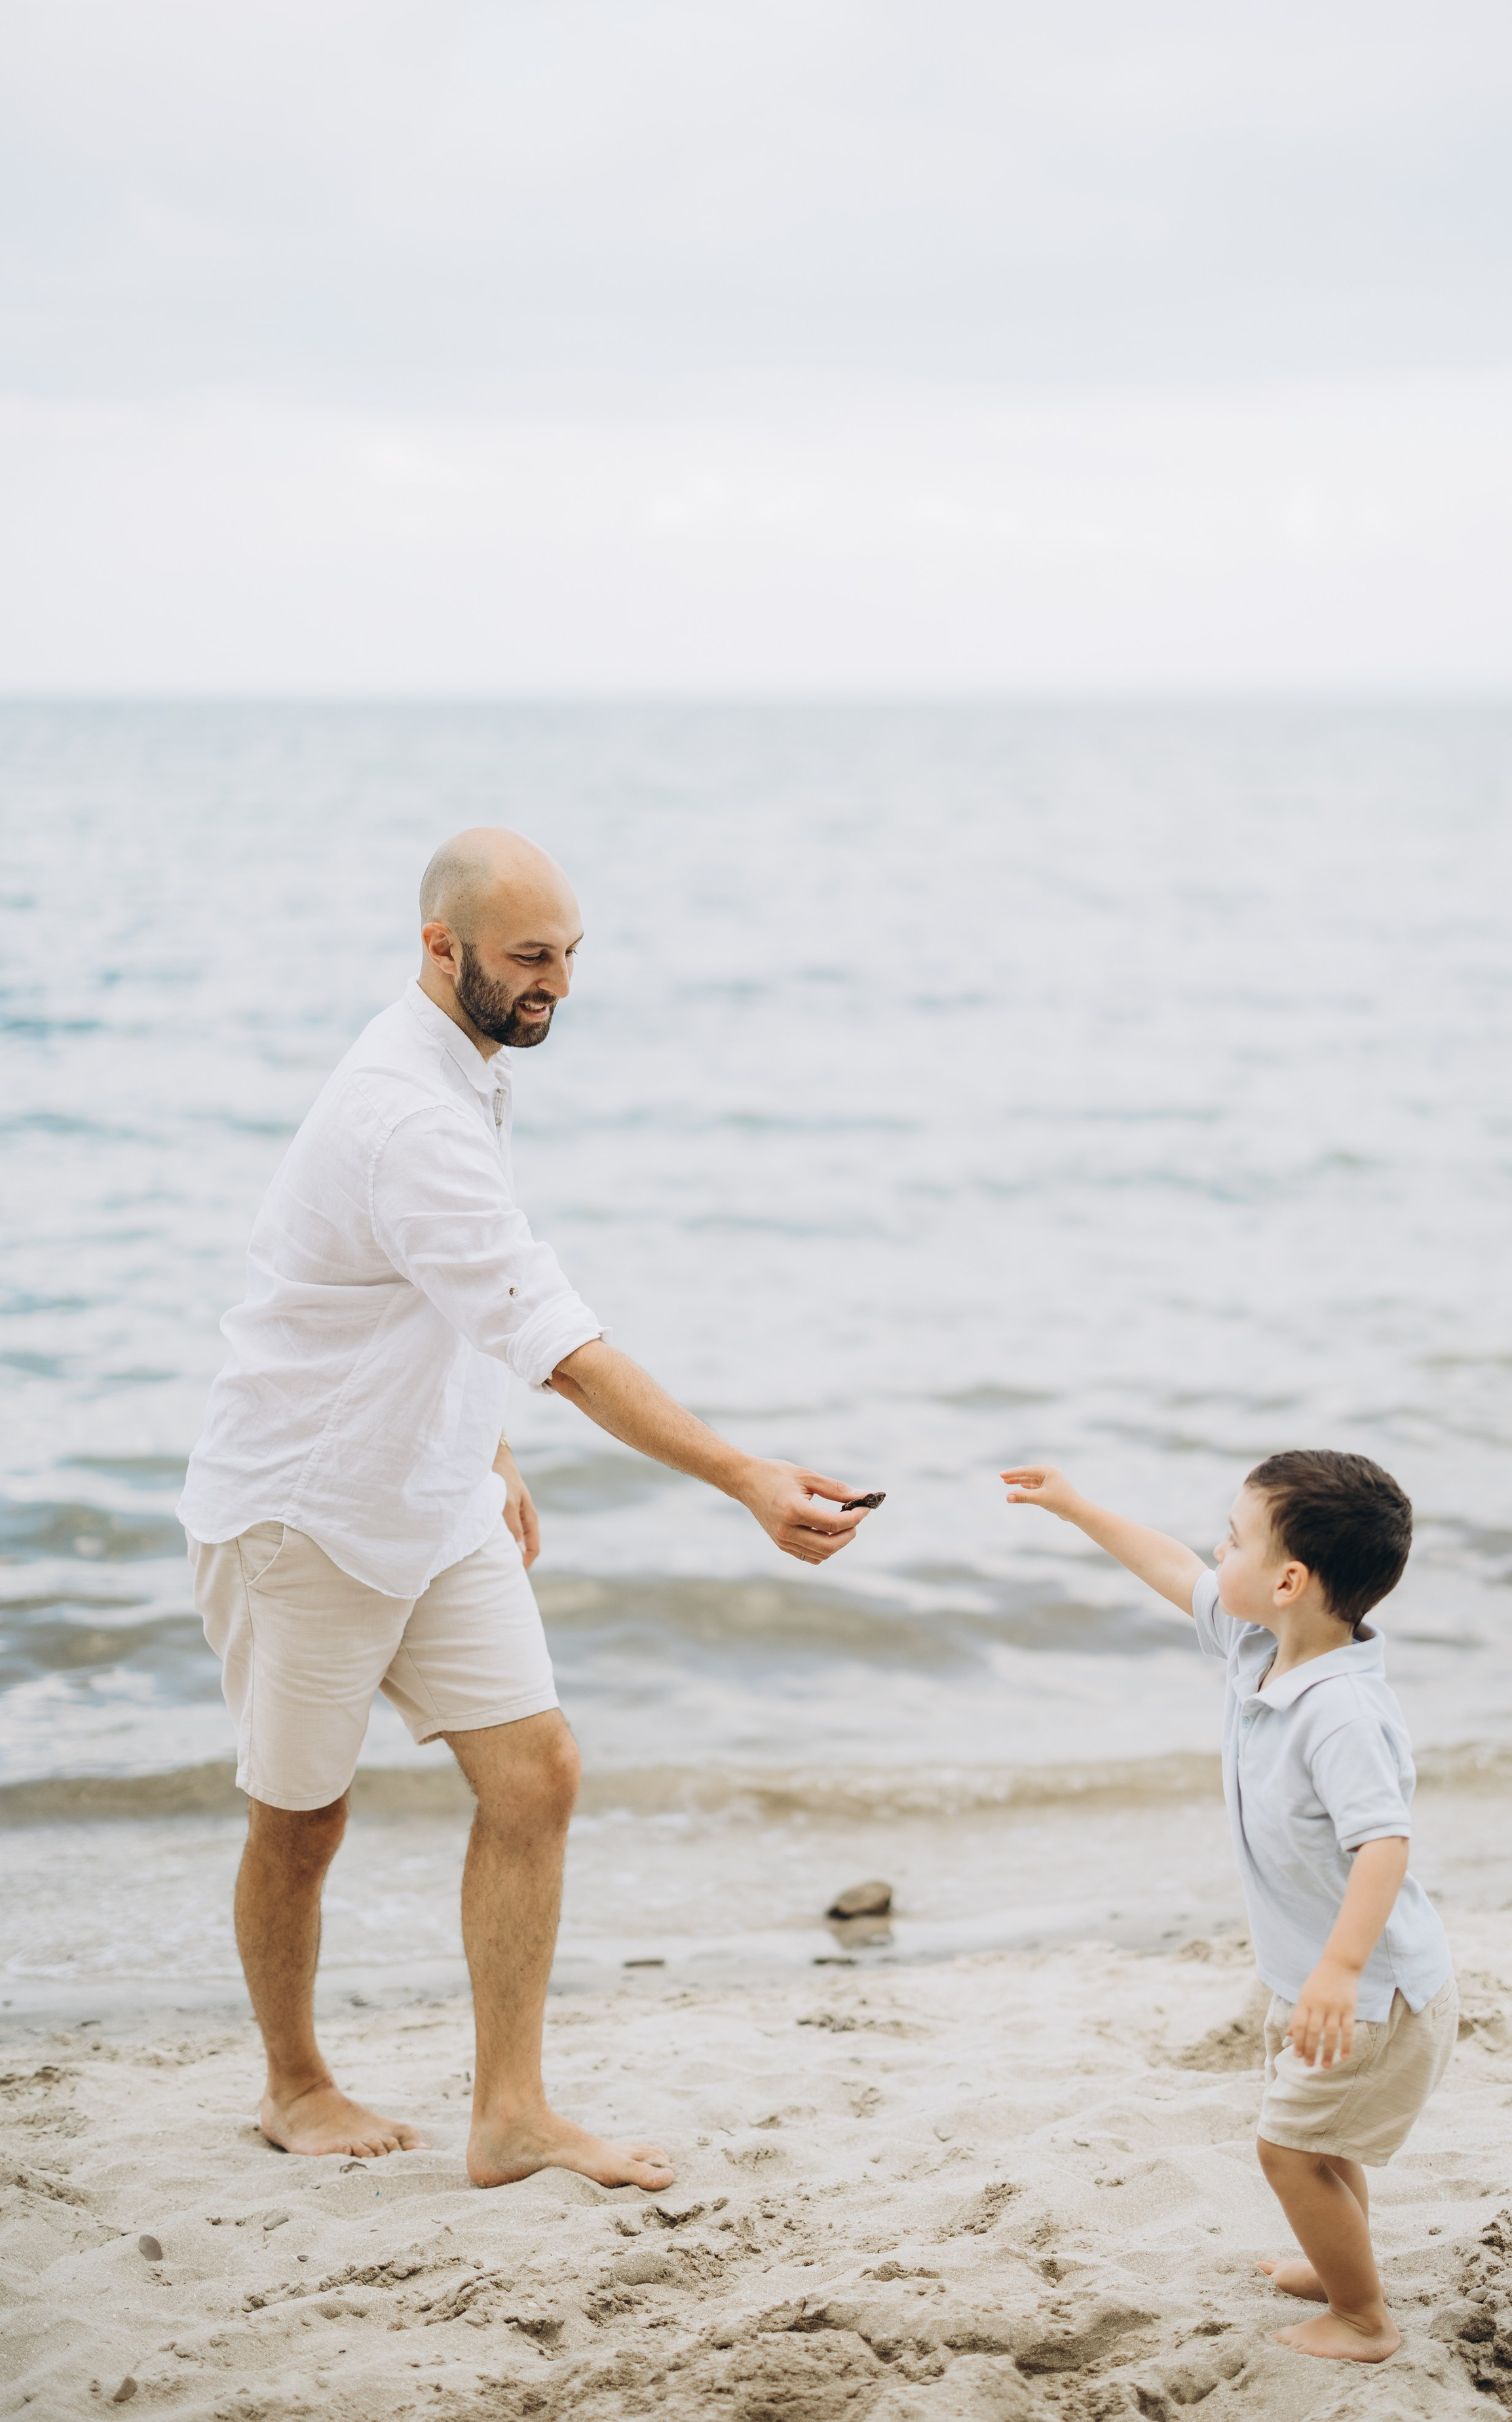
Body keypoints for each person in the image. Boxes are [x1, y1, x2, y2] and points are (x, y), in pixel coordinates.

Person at [178, 827, 874, 2189]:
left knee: (535, 1775)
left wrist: (485, 1446)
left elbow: (441, 1297)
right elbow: (558, 1340)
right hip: (303, 1513)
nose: (556, 982)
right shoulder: (407, 1115)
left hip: (433, 1498)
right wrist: (744, 1476)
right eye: (529, 957)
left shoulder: (467, 1065)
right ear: (440, 948)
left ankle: (509, 2116)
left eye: (569, 954)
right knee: (300, 1822)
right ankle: (294, 2084)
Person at [1001, 1448, 1455, 2364]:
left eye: (1236, 1539)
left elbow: (1384, 1844)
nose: (1218, 1551)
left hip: (1369, 1993)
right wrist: (1076, 1507)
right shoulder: (1262, 1645)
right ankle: (1341, 2269)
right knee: (1324, 2143)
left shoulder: (1341, 1711)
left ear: (1289, 1581)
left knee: (1288, 2153)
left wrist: (1340, 1971)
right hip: (1320, 1980)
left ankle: (1363, 2318)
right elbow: (1173, 1568)